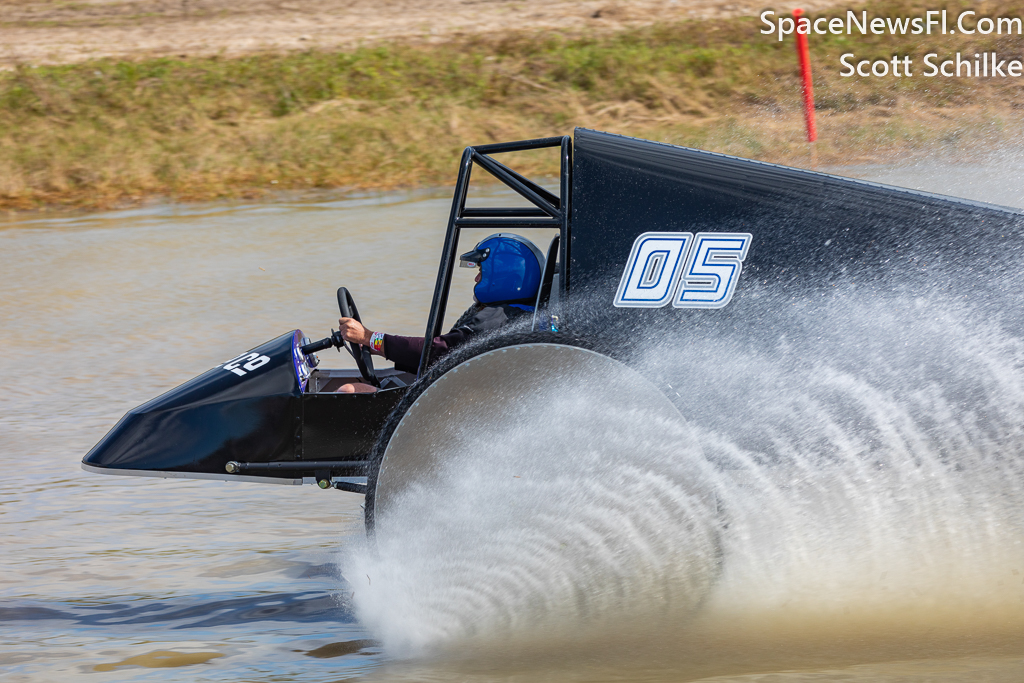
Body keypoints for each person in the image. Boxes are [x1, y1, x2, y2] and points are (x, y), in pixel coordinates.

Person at [336, 233, 545, 393]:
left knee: (349, 391)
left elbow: (438, 353)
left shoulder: (495, 318)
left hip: (459, 404)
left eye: (481, 272)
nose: (476, 279)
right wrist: (377, 348)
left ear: (502, 277)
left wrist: (370, 338)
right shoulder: (517, 314)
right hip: (468, 392)